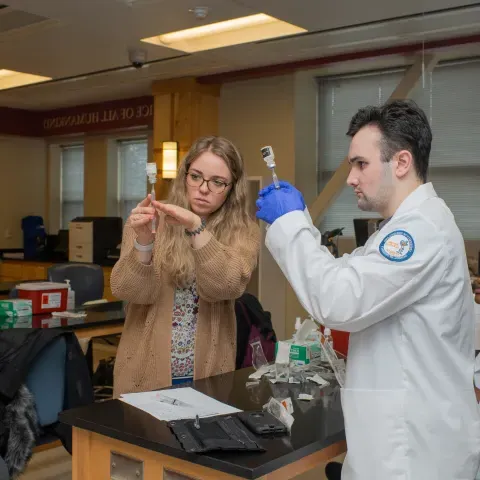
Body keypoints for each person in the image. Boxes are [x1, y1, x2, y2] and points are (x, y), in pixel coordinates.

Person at [256, 100, 480, 479]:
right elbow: (348, 275)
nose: (351, 177)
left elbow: (337, 299)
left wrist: (292, 224)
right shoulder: (403, 227)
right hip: (397, 444)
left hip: (414, 457)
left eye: (361, 164)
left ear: (402, 163)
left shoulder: (419, 232)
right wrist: (303, 228)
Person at [111, 136, 260, 397]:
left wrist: (195, 227)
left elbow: (224, 286)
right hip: (144, 375)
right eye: (196, 177)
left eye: (217, 182)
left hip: (208, 376)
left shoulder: (244, 232)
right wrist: (144, 242)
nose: (203, 188)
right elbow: (129, 291)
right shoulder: (148, 221)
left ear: (232, 187)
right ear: (184, 176)